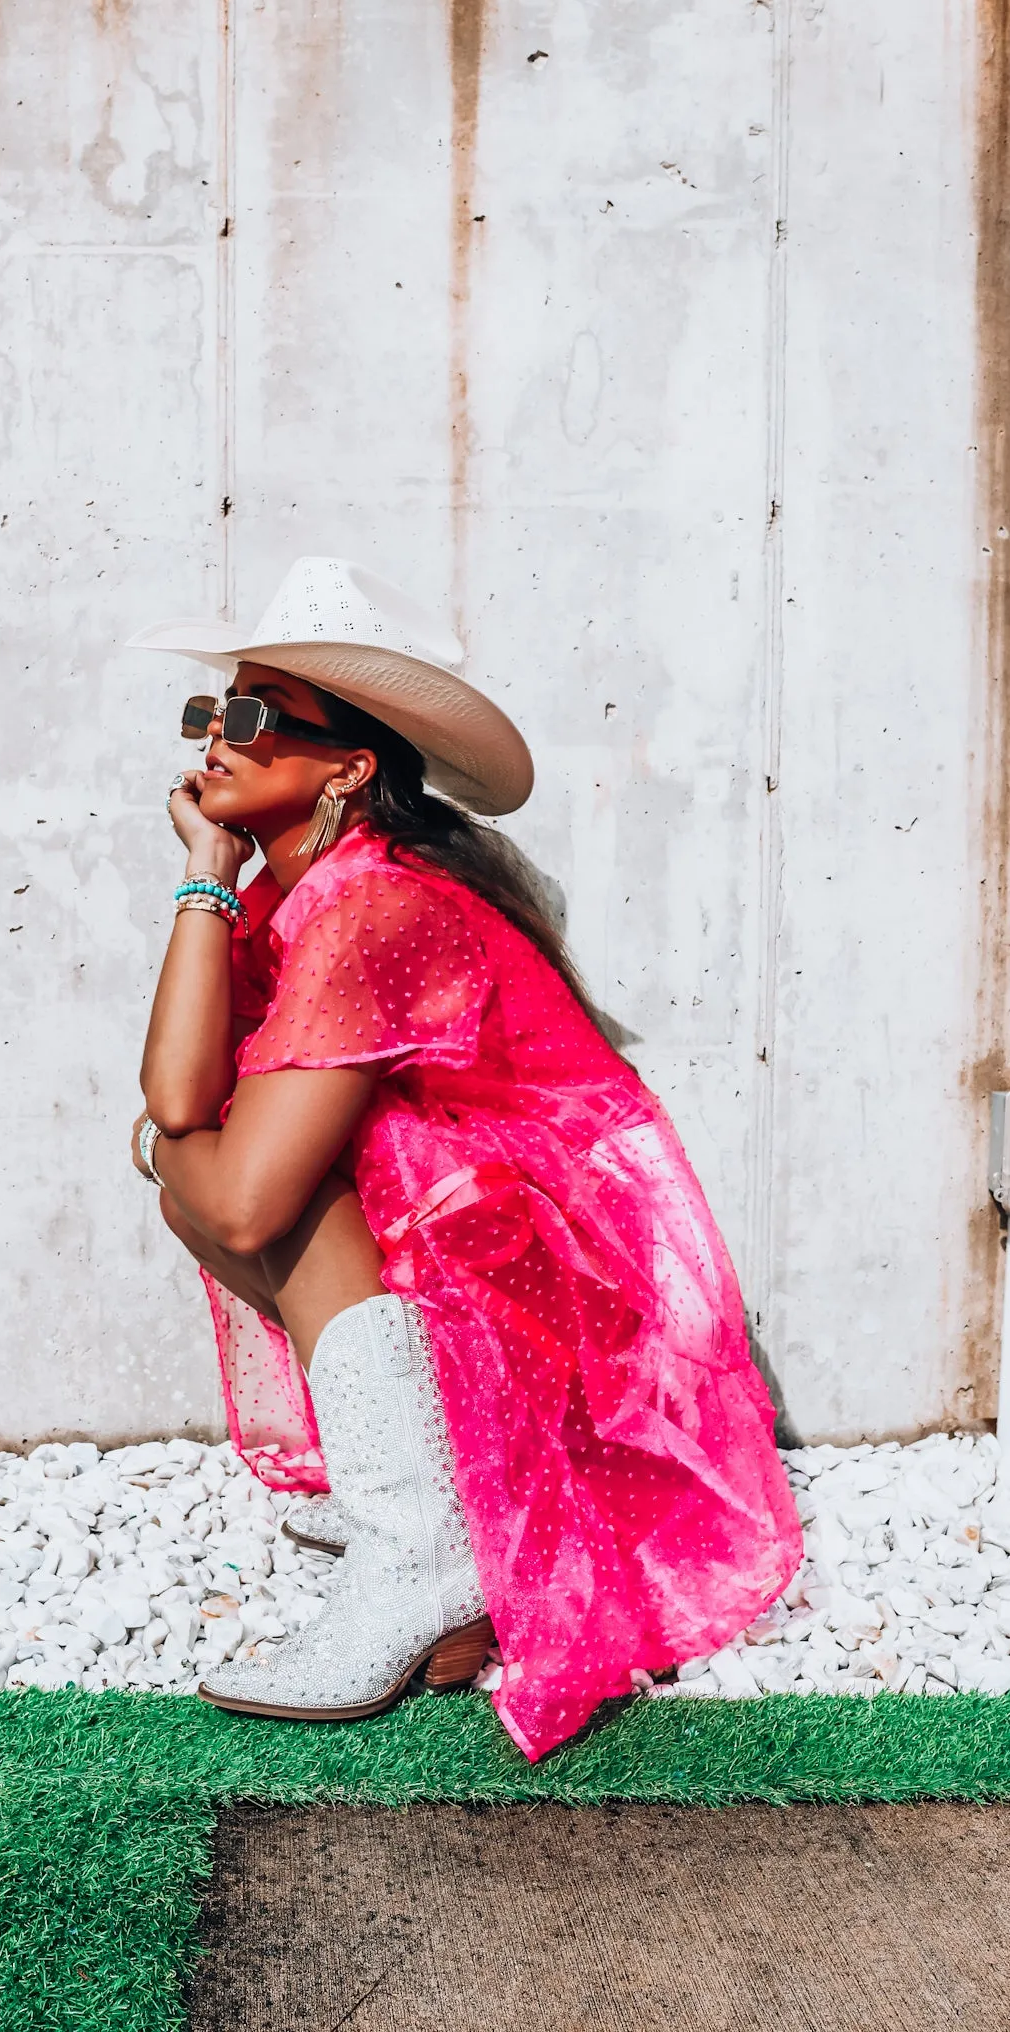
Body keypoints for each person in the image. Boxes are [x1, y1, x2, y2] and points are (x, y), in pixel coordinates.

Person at [128, 558, 802, 1761]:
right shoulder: (306, 898)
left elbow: (234, 1195)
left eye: (256, 717)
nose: (217, 738)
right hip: (501, 1261)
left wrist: (176, 1145)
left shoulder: (374, 906)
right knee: (213, 1150)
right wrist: (205, 874)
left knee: (245, 1176)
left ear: (349, 767)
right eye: (210, 713)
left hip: (575, 1302)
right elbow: (175, 1093)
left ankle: (421, 1546)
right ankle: (437, 1509)